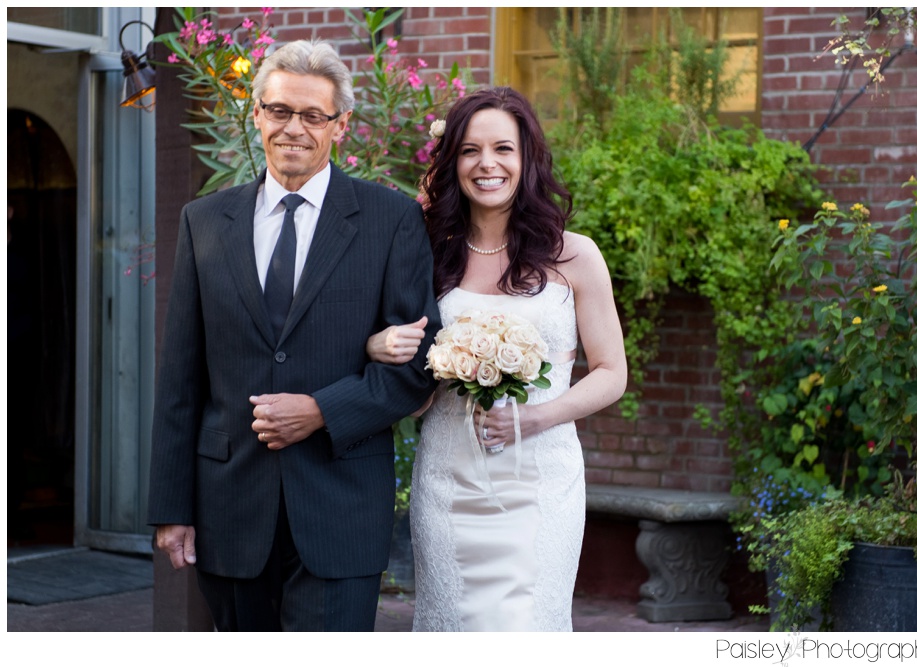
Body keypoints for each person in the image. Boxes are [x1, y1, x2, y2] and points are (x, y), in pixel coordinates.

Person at [146, 39, 441, 632]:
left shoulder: (391, 220)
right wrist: (171, 508)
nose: (294, 129)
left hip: (341, 503)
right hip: (230, 506)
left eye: (313, 115)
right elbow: (181, 376)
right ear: (257, 114)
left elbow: (417, 365)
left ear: (341, 125)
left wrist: (319, 411)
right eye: (280, 111)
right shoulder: (204, 221)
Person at [366, 87, 627, 631]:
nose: (487, 164)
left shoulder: (574, 254)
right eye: (469, 150)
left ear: (526, 158)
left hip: (541, 484)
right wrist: (378, 349)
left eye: (503, 148)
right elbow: (393, 351)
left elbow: (611, 373)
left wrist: (535, 417)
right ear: (452, 162)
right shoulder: (427, 254)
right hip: (447, 480)